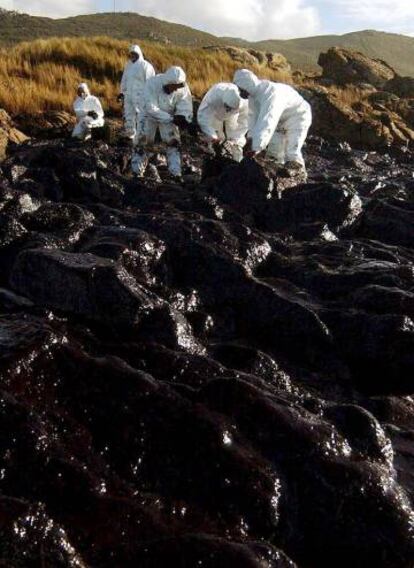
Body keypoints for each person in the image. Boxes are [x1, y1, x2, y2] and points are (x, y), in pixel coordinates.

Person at [233, 69, 312, 175]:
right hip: (280, 119)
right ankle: (277, 182)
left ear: (246, 85)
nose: (240, 92)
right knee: (274, 154)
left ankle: (300, 180)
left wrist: (255, 147)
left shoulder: (270, 93)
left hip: (298, 116)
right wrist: (250, 139)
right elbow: (253, 119)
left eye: (240, 89)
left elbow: (267, 121)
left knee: (292, 152)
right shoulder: (253, 96)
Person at [132, 66, 193, 180]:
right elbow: (151, 108)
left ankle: (175, 174)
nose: (175, 90)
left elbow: (185, 105)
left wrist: (183, 117)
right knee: (142, 142)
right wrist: (172, 118)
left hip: (169, 115)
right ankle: (137, 173)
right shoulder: (152, 84)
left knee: (173, 142)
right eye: (173, 87)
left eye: (177, 87)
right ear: (167, 82)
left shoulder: (182, 89)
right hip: (148, 115)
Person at [197, 82, 248, 162]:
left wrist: (236, 139)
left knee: (235, 140)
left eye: (230, 108)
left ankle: (237, 162)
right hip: (215, 114)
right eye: (227, 107)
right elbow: (203, 117)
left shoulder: (245, 102)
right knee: (216, 140)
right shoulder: (214, 95)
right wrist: (212, 136)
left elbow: (244, 122)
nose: (228, 110)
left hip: (234, 114)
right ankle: (214, 160)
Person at [118, 44, 156, 140]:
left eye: (135, 53)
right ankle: (130, 135)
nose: (132, 55)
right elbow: (124, 80)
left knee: (141, 116)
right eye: (131, 54)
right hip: (129, 95)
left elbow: (151, 81)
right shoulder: (128, 65)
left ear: (139, 53)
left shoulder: (146, 66)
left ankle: (141, 136)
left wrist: (149, 95)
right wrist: (122, 92)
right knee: (128, 115)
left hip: (141, 96)